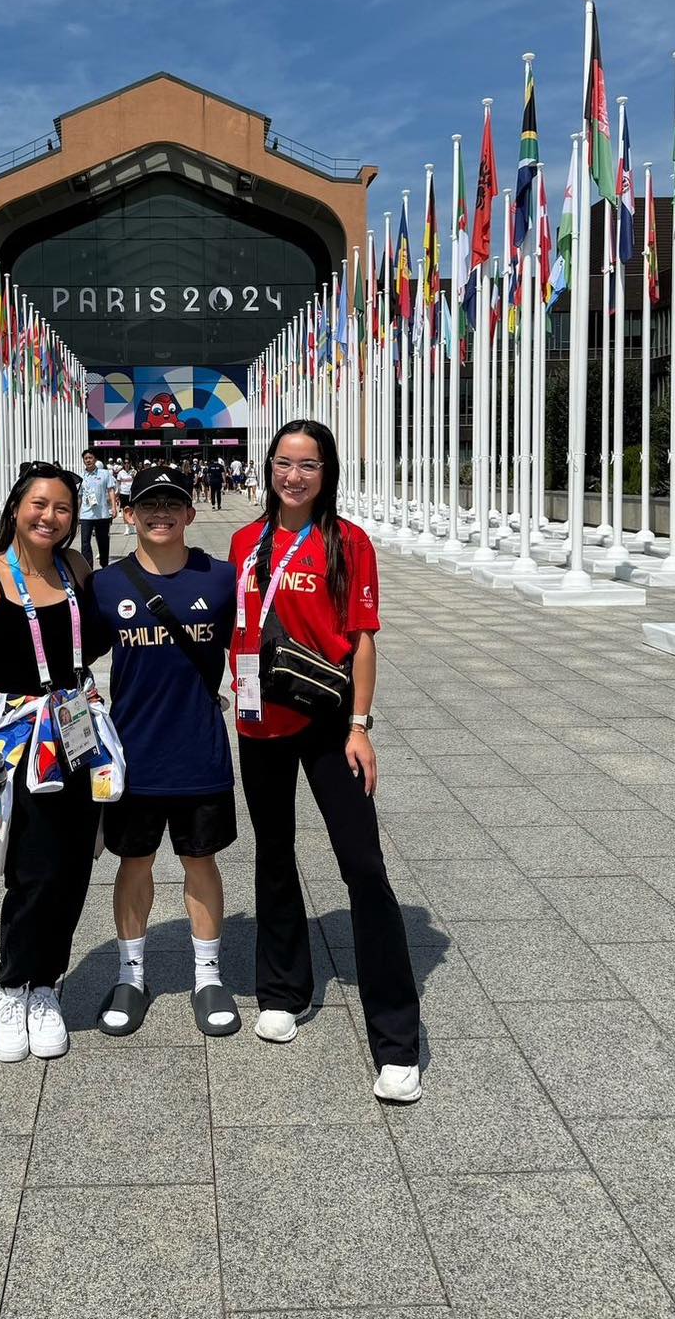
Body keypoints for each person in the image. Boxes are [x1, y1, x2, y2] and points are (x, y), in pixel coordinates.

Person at [228, 419, 422, 1104]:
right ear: (269, 467)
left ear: (327, 472)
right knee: (273, 853)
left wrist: (362, 725)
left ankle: (397, 1041)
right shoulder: (245, 542)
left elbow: (362, 641)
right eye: (285, 462)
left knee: (363, 867)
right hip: (259, 724)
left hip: (329, 723)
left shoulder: (349, 543)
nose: (295, 475)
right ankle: (282, 988)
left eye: (309, 465)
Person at [0, 462, 107, 1064]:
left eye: (63, 508)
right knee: (32, 869)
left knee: (72, 866)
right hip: (17, 739)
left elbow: (93, 641)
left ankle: (47, 986)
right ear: (15, 508)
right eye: (39, 505)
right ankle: (11, 985)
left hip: (75, 730)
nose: (50, 517)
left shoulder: (75, 570)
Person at [90, 466, 240, 1038]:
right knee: (135, 863)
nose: (160, 514)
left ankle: (207, 975)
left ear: (190, 513)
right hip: (133, 756)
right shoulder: (108, 584)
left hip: (199, 750)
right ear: (128, 512)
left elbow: (251, 646)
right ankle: (132, 975)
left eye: (172, 504)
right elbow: (71, 655)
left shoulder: (219, 578)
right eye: (148, 504)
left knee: (201, 860)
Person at [78, 450, 117, 569]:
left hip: (102, 514)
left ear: (95, 459)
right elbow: (79, 496)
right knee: (85, 543)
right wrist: (76, 512)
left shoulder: (105, 474)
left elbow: (111, 491)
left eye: (90, 458)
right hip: (86, 515)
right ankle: (88, 567)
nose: (88, 460)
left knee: (103, 541)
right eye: (86, 458)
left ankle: (104, 565)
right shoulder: (81, 476)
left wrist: (114, 507)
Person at [116, 460, 135, 533]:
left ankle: (132, 526)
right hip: (123, 493)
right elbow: (118, 483)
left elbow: (136, 481)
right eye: (125, 463)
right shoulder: (120, 473)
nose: (126, 464)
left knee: (132, 510)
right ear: (123, 464)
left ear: (130, 463)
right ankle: (127, 528)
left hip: (131, 493)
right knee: (125, 510)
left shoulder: (133, 471)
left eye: (128, 463)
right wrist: (117, 493)